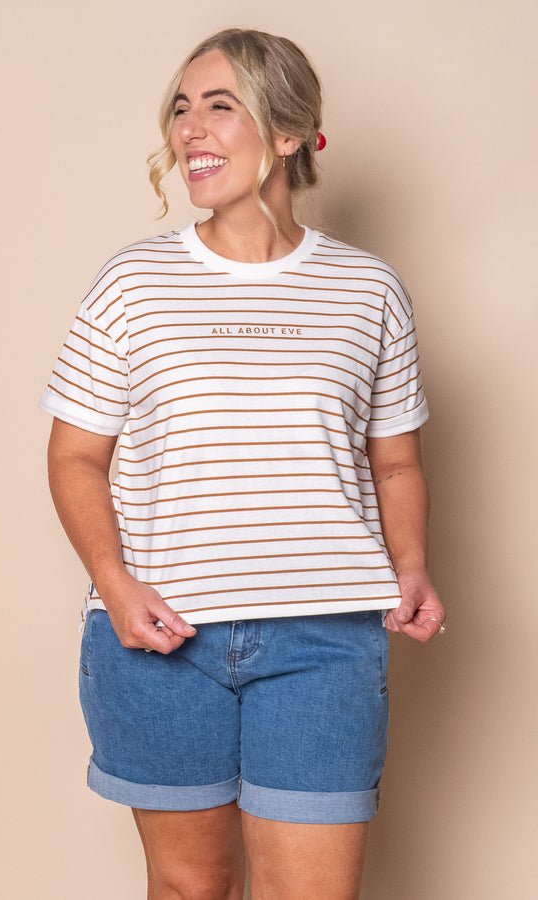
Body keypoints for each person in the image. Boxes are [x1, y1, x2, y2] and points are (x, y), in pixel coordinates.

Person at [40, 27, 445, 900]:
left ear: (288, 133)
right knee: (191, 888)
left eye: (220, 106)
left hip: (324, 640)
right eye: (181, 108)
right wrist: (114, 584)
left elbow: (396, 464)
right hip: (158, 638)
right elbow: (74, 457)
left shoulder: (369, 289)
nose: (190, 128)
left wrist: (410, 565)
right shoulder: (132, 283)